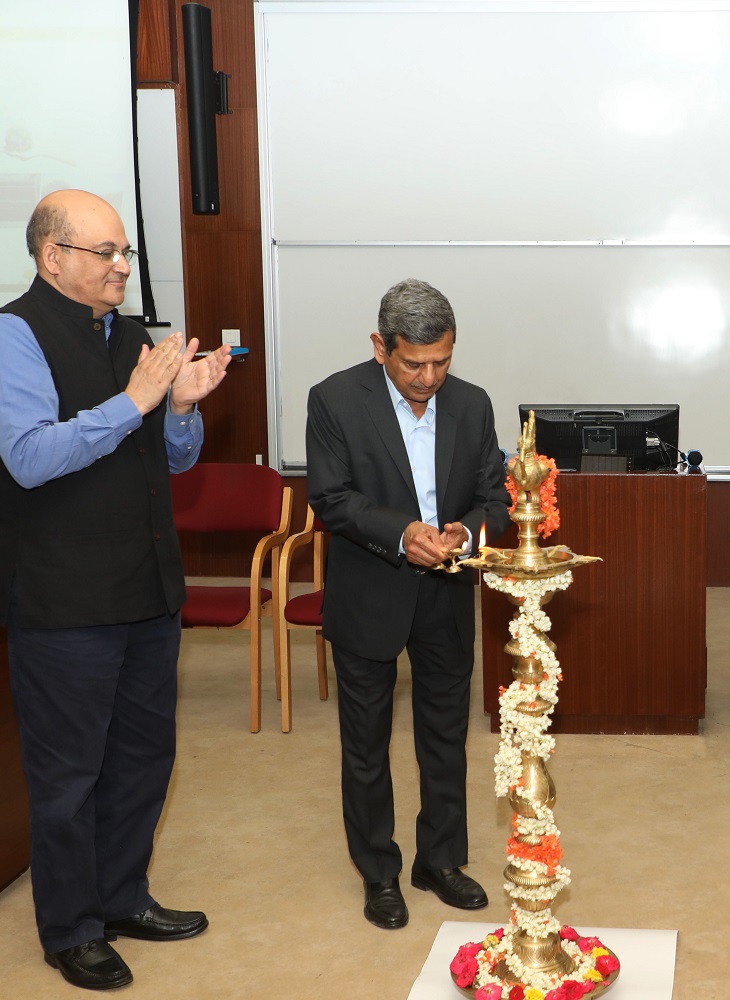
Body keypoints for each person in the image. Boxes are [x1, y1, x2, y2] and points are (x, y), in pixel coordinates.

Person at [0, 189, 232, 991]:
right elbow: (32, 458)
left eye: (125, 254)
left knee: (144, 757)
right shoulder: (7, 337)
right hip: (63, 600)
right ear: (54, 258)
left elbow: (171, 461)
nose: (123, 267)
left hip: (146, 587)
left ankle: (122, 899)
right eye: (106, 253)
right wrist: (136, 401)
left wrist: (178, 408)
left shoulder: (132, 336)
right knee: (69, 775)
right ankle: (71, 927)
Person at [306, 278, 511, 931]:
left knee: (445, 736)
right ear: (380, 346)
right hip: (370, 589)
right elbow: (331, 498)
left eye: (442, 361)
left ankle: (441, 861)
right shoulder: (335, 399)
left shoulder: (473, 404)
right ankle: (380, 872)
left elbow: (494, 500)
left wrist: (466, 533)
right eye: (413, 363)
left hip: (447, 589)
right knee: (365, 744)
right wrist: (402, 533)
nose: (429, 377)